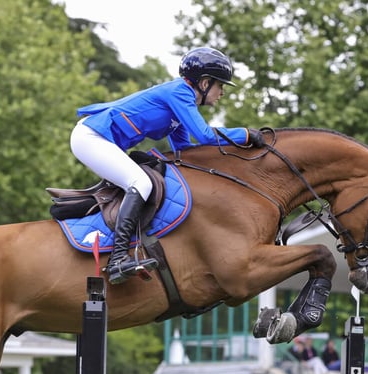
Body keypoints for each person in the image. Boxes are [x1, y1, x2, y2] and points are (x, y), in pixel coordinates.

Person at [71, 47, 264, 285]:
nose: (222, 92)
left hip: (99, 138)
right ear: (205, 83)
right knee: (140, 183)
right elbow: (204, 135)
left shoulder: (181, 102)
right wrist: (245, 134)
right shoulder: (180, 92)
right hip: (91, 137)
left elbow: (185, 149)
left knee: (142, 181)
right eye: (220, 85)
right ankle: (117, 259)